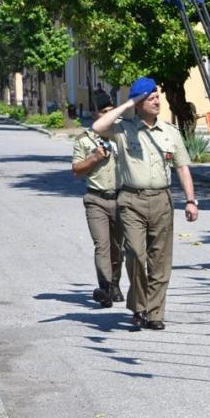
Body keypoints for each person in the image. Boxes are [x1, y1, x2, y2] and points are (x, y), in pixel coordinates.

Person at [92, 77, 198, 330]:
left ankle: (154, 313)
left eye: (157, 97)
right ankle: (138, 306)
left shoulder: (170, 133)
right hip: (131, 200)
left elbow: (182, 168)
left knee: (160, 260)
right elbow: (97, 127)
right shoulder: (123, 128)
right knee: (137, 256)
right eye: (150, 98)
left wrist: (191, 200)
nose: (157, 101)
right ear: (139, 103)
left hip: (162, 199)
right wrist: (128, 103)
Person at [72, 90, 124, 308]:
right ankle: (105, 288)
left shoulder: (122, 134)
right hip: (96, 199)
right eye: (103, 111)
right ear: (94, 114)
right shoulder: (84, 140)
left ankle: (115, 283)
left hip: (122, 198)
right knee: (102, 245)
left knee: (117, 248)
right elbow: (76, 170)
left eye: (111, 111)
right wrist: (93, 158)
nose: (108, 115)